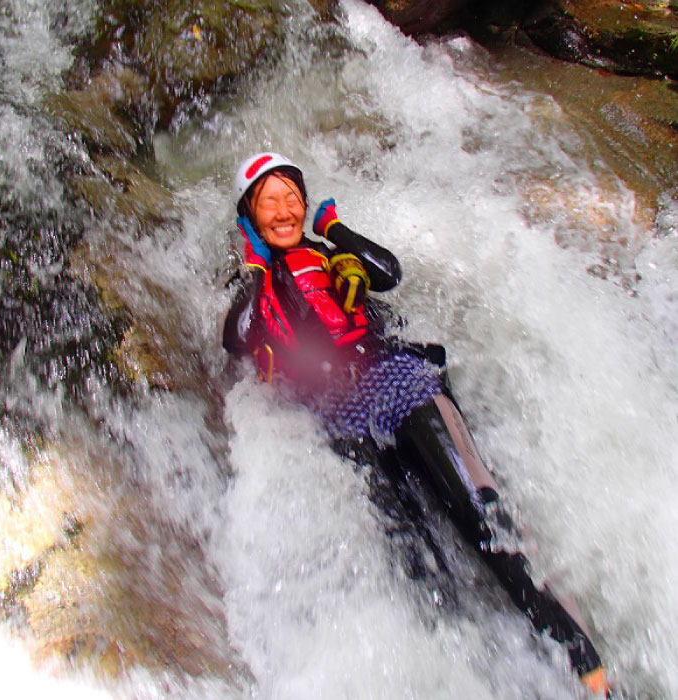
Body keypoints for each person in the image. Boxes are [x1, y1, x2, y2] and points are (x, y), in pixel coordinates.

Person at [223, 152, 610, 696]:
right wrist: (258, 269)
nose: (285, 210)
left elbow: (389, 271)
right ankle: (470, 674)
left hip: (394, 381)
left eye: (293, 198)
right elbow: (237, 337)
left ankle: (583, 658)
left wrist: (338, 231)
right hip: (339, 413)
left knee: (476, 513)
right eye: (270, 202)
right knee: (411, 549)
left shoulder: (332, 254)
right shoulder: (253, 282)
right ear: (250, 215)